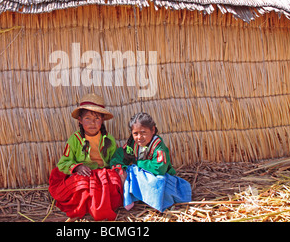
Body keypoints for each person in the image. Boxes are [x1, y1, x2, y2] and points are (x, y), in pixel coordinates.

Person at [48, 93, 123, 221]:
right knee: (81, 185)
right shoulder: (75, 140)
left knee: (112, 183)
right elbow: (63, 163)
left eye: (97, 118)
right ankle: (87, 207)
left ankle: (99, 208)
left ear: (102, 120)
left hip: (102, 173)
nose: (93, 123)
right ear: (80, 121)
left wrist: (116, 170)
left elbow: (115, 159)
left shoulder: (108, 139)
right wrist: (77, 167)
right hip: (83, 173)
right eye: (88, 118)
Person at [110, 112, 192, 212]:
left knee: (157, 183)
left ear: (153, 130)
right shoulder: (132, 144)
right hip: (142, 177)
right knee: (125, 174)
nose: (139, 137)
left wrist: (139, 163)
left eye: (143, 132)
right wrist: (120, 167)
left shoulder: (158, 146)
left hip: (161, 177)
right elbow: (118, 156)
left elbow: (159, 168)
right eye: (135, 133)